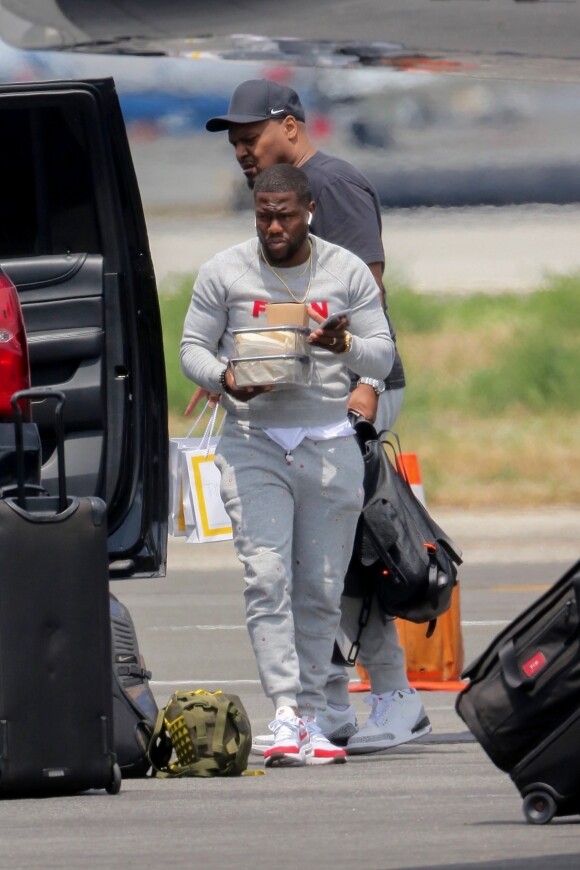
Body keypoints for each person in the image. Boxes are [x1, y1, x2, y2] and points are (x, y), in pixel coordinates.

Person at [199, 78, 431, 755]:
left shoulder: (332, 183)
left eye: (251, 136)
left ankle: (392, 694)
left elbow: (367, 290)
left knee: (347, 557)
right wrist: (230, 363)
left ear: (291, 126)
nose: (241, 150)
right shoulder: (281, 201)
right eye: (235, 142)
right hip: (291, 399)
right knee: (309, 560)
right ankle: (327, 703)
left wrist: (364, 387)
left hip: (349, 394)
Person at [180, 164, 395, 767]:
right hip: (254, 440)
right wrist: (224, 378)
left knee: (321, 590)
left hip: (328, 440)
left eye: (285, 214)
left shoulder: (345, 270)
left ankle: (312, 715)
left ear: (309, 212)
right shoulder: (224, 271)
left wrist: (343, 346)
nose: (274, 226)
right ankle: (285, 713)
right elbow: (191, 348)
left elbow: (383, 352)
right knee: (266, 575)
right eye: (263, 214)